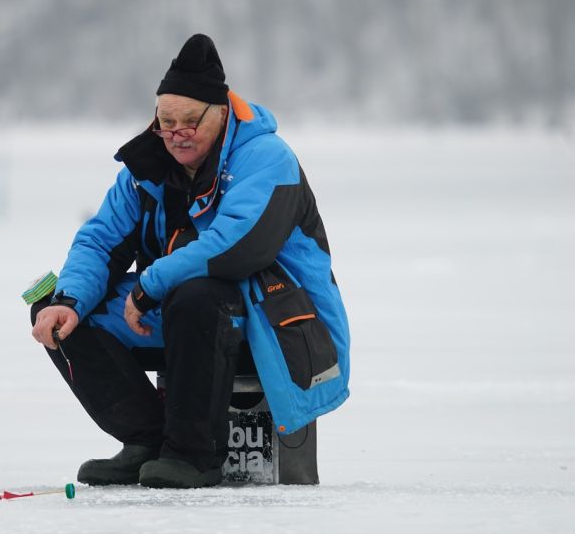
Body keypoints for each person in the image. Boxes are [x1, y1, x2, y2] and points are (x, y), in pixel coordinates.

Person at [29, 33, 350, 489]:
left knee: (197, 294)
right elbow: (100, 240)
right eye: (165, 122)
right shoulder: (147, 169)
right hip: (185, 318)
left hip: (280, 323)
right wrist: (69, 299)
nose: (175, 135)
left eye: (188, 123)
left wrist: (148, 286)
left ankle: (193, 455)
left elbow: (234, 248)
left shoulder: (266, 159)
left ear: (220, 114)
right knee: (60, 314)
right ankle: (148, 440)